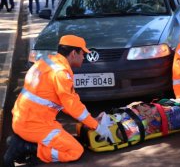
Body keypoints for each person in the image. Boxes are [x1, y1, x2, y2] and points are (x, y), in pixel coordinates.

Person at [4, 35, 112, 166]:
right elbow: (72, 106)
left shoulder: (46, 62)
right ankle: (27, 148)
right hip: (34, 125)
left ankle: (22, 143)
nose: (84, 57)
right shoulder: (61, 73)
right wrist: (97, 127)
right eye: (82, 53)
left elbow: (67, 104)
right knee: (75, 150)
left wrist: (91, 120)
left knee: (68, 141)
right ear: (73, 53)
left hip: (24, 120)